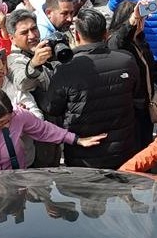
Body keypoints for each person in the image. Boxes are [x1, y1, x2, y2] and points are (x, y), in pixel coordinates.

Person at [41, 9, 138, 169]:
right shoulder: (126, 60)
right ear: (106, 34)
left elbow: (52, 108)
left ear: (77, 35)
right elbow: (136, 92)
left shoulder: (66, 69)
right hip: (123, 149)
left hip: (83, 155)